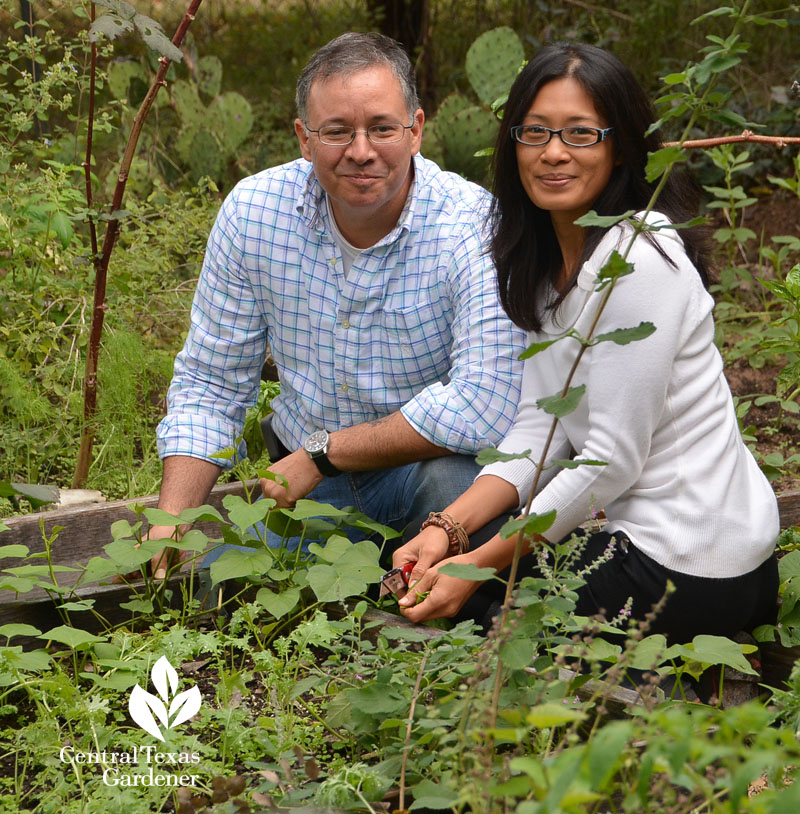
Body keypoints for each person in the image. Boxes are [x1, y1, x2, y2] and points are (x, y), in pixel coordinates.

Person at [394, 42, 779, 642]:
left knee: (471, 614)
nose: (553, 153)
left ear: (620, 146)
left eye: (580, 134)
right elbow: (537, 435)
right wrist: (449, 529)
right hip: (655, 545)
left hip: (692, 563)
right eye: (536, 132)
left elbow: (608, 460)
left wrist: (477, 563)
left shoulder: (639, 260)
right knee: (432, 576)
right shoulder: (551, 268)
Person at [148, 33, 526, 576]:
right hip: (307, 492)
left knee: (454, 484)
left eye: (382, 127)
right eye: (337, 131)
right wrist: (169, 521)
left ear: (415, 130)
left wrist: (323, 452)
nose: (361, 151)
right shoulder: (254, 214)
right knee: (213, 587)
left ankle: (436, 607)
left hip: (429, 480)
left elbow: (483, 403)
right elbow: (211, 382)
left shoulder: (474, 226)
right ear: (304, 138)